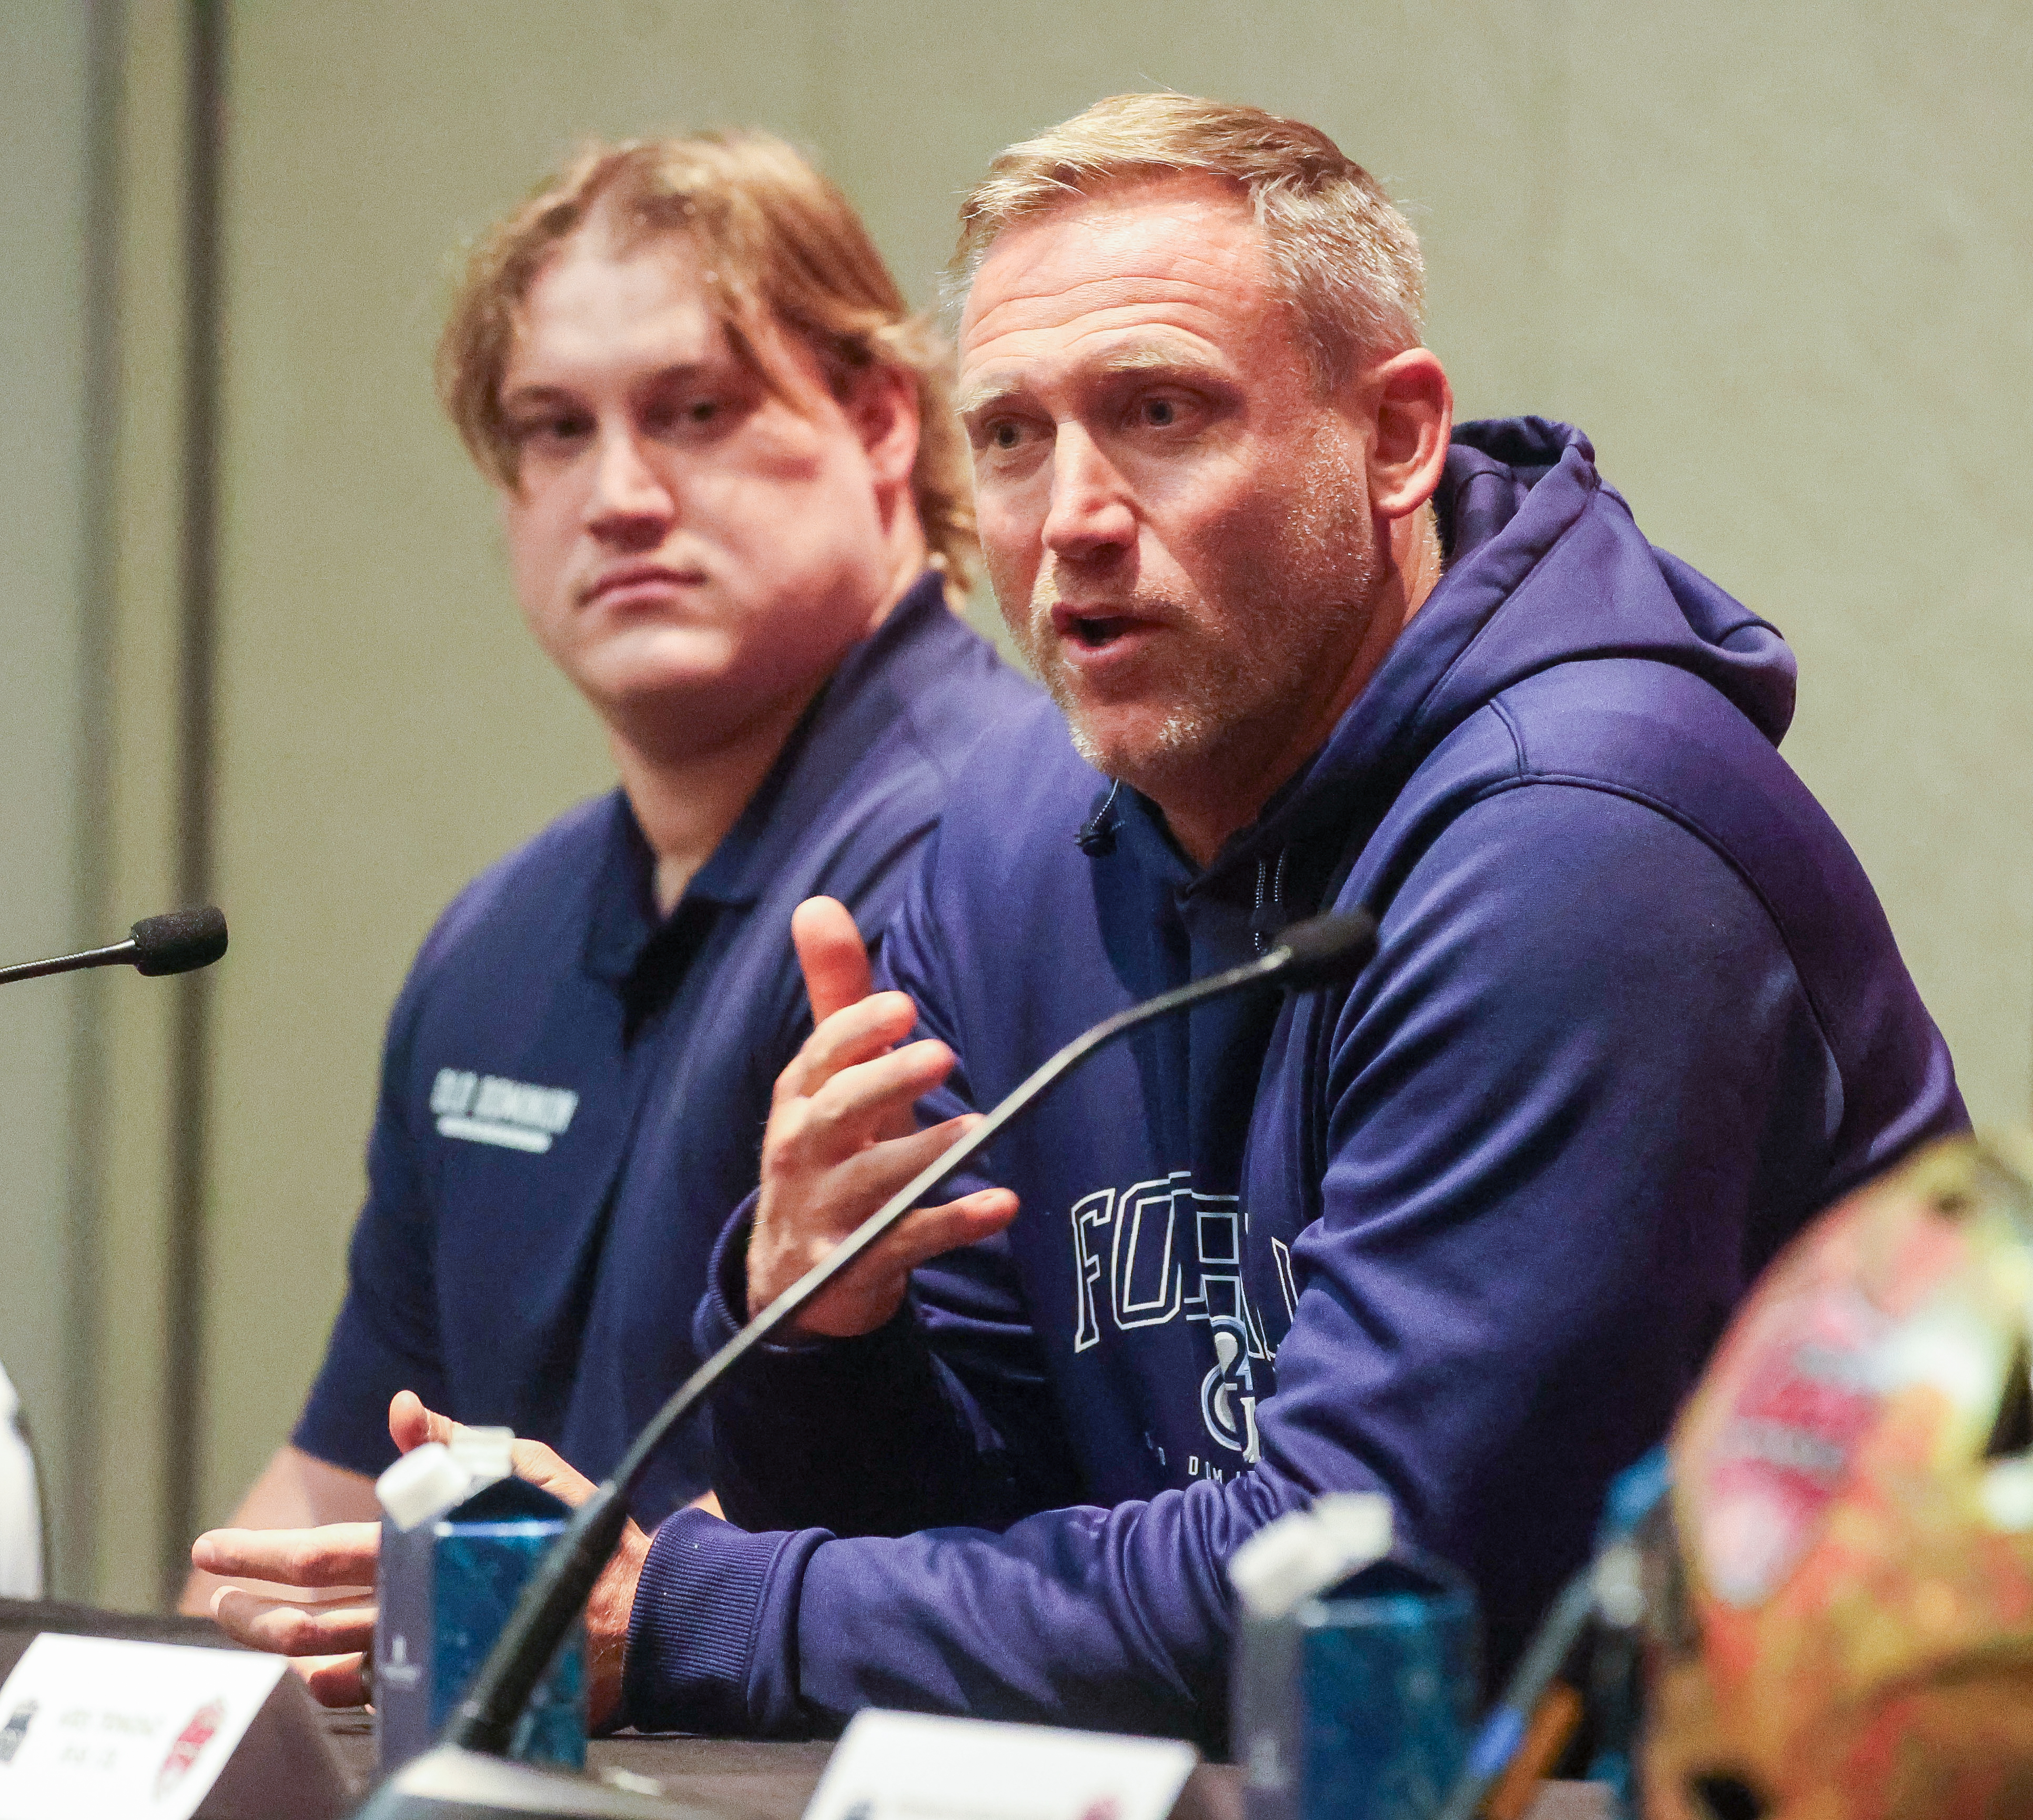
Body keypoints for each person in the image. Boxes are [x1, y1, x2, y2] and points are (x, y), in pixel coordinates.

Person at [204, 94, 1966, 1747]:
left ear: (1396, 439)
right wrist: (825, 1339)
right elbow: (972, 1538)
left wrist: (676, 1611)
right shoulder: (1013, 848)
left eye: (1161, 413)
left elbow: (1347, 1593)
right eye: (1017, 442)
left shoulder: (1582, 850)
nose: (1075, 524)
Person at [183, 130, 1034, 1705]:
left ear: (876, 418)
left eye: (694, 412)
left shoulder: (1017, 862)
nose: (621, 495)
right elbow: (317, 1498)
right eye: (552, 430)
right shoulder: (494, 940)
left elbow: (996, 1509)